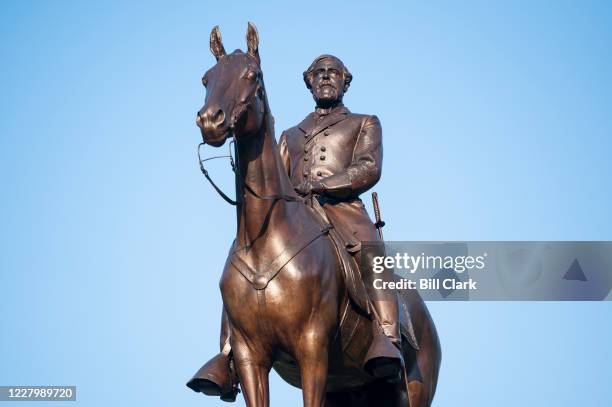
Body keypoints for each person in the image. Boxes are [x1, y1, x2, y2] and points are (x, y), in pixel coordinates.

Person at [187, 54, 403, 402]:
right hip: (297, 214)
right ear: (309, 82)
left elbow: (368, 168)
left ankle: (387, 338)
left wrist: (323, 186)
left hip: (343, 210)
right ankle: (227, 356)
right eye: (319, 74)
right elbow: (277, 176)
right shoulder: (289, 134)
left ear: (346, 81)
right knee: (240, 257)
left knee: (370, 253)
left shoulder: (364, 123)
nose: (326, 78)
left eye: (334, 73)